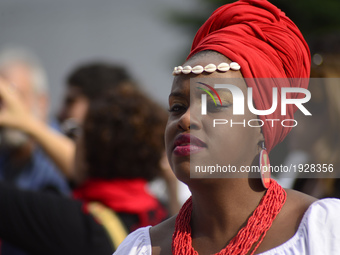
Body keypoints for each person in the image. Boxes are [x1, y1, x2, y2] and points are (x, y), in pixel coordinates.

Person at [114, 0, 340, 254]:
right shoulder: (141, 248)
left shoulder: (323, 232)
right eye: (177, 107)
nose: (186, 120)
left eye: (214, 104)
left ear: (262, 125)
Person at [0, 80, 168, 255]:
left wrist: (26, 123)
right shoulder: (163, 215)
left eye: (79, 132)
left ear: (90, 147)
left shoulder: (75, 223)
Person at [0, 48, 70, 194]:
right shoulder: (5, 155)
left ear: (42, 102)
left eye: (17, 96)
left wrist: (27, 124)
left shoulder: (65, 143)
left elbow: (80, 170)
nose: (6, 110)